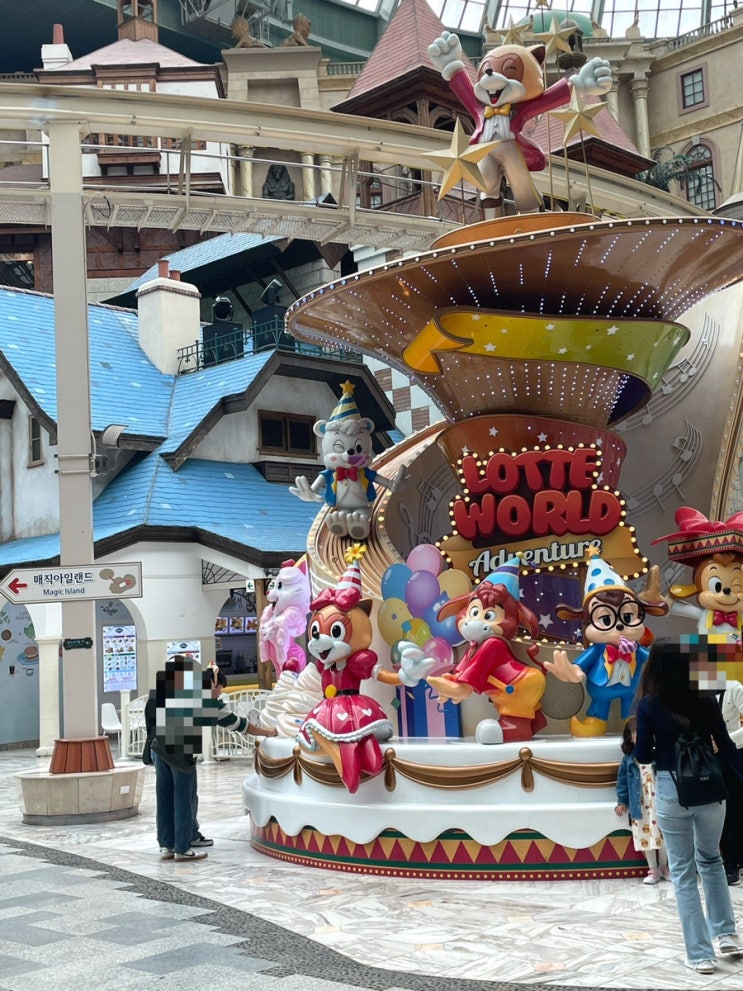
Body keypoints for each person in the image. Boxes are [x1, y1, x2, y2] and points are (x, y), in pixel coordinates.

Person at [634, 638, 743, 974]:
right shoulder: (706, 700)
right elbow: (726, 747)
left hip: (672, 789)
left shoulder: (649, 704)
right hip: (711, 788)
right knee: (711, 859)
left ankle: (699, 955)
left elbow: (643, 755)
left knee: (683, 872)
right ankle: (726, 935)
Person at [147, 655, 275, 863]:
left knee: (165, 798)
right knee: (183, 799)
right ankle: (182, 848)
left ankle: (166, 846)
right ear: (213, 683)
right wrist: (268, 732)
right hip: (180, 754)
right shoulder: (207, 702)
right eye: (220, 688)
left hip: (159, 749)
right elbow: (240, 724)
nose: (220, 693)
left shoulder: (176, 692)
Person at [614, 716, 670, 884]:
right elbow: (622, 782)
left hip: (659, 803)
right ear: (629, 737)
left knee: (663, 836)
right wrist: (622, 802)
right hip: (641, 806)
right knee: (646, 837)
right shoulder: (629, 760)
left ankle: (664, 867)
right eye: (635, 734)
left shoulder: (657, 754)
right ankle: (653, 869)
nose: (639, 737)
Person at [718, 680, 743, 885]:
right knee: (717, 811)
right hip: (708, 757)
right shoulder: (694, 690)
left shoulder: (734, 688)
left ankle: (734, 863)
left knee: (735, 809)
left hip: (734, 754)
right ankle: (728, 860)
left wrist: (724, 741)